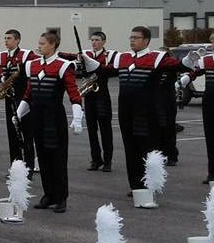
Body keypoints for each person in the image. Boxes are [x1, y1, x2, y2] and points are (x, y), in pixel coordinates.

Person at [81, 26, 198, 196]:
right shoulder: (123, 57)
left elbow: (177, 66)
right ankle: (136, 185)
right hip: (125, 112)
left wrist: (188, 60)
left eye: (136, 37)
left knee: (147, 150)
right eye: (131, 37)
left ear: (146, 40)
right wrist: (90, 63)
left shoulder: (157, 58)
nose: (132, 40)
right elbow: (105, 71)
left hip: (147, 114)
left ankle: (150, 184)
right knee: (131, 150)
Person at [15, 30, 84, 213]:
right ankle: (48, 194)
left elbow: (74, 94)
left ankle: (61, 197)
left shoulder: (64, 66)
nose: (39, 46)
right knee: (43, 156)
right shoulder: (31, 65)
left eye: (43, 43)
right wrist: (19, 112)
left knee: (58, 157)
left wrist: (77, 118)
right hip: (37, 116)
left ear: (53, 45)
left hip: (55, 117)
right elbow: (29, 94)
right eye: (39, 43)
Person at [0, 29, 40, 178]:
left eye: (9, 38)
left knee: (27, 135)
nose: (6, 41)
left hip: (24, 98)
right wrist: (2, 77)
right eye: (5, 38)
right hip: (10, 99)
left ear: (17, 40)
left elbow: (36, 65)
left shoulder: (26, 55)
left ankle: (28, 168)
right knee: (12, 135)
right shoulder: (2, 56)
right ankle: (15, 168)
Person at [179, 33, 214, 183]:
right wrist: (185, 79)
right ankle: (212, 173)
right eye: (213, 41)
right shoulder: (206, 60)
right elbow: (193, 72)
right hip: (210, 101)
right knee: (211, 138)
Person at [81, 32, 116, 172]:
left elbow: (112, 70)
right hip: (89, 95)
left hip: (102, 95)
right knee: (91, 130)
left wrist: (97, 68)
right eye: (92, 40)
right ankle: (96, 159)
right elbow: (82, 72)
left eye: (97, 40)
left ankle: (108, 161)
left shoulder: (108, 56)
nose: (94, 42)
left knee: (105, 130)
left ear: (104, 41)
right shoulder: (86, 55)